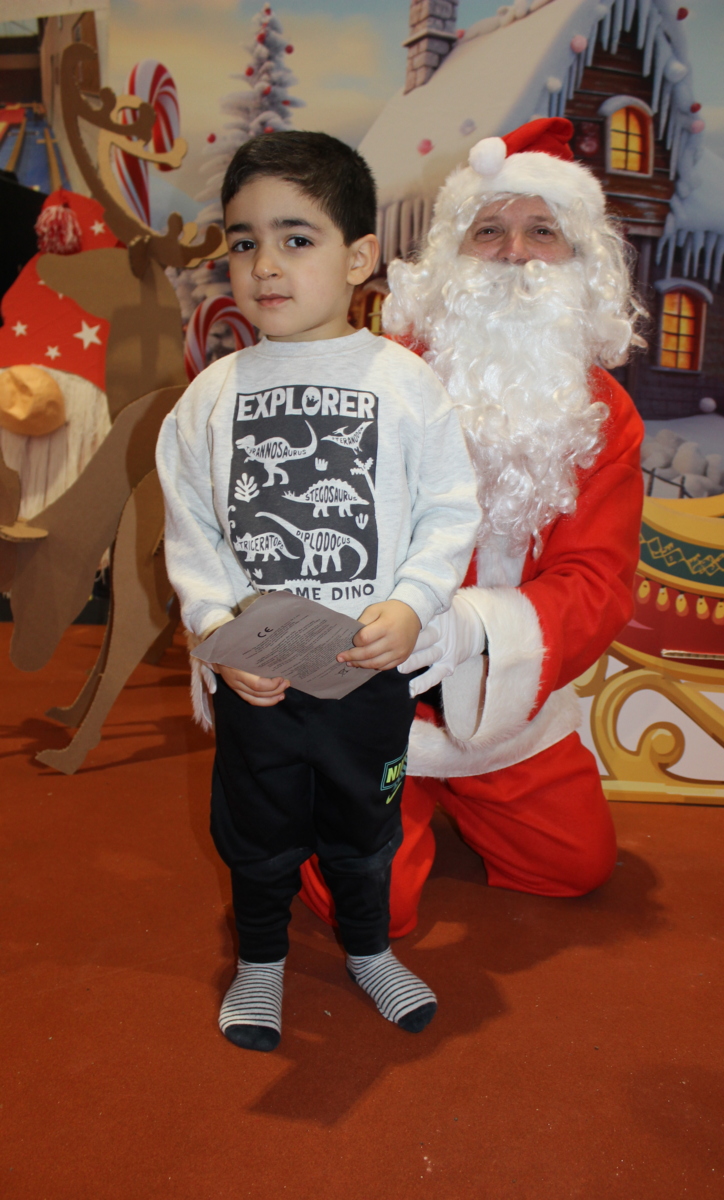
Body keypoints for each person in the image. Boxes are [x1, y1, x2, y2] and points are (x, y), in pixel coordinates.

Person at [156, 131, 481, 1051]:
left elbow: (448, 508)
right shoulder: (210, 396)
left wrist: (413, 602)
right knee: (256, 834)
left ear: (359, 256)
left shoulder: (406, 383)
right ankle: (260, 962)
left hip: (364, 673)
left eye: (296, 238)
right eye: (244, 240)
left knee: (364, 830)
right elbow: (193, 531)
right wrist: (216, 631)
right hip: (260, 677)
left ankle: (369, 949)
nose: (265, 264)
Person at [299, 117, 645, 937]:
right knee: (370, 908)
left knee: (576, 864)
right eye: (489, 230)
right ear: (450, 255)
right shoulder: (380, 378)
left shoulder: (605, 414)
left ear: (581, 258)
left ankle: (462, 791)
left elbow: (597, 581)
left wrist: (476, 629)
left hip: (504, 707)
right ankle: (329, 794)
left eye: (542, 231)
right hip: (375, 698)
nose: (516, 254)